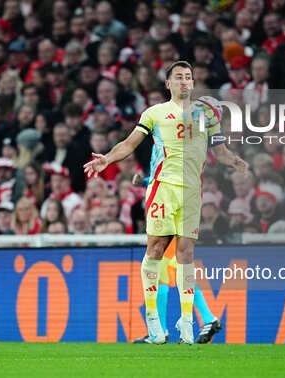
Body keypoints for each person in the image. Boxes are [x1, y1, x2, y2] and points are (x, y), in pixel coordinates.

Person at [84, 61, 247, 344]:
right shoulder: (155, 113)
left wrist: (234, 160)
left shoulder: (207, 115)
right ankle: (154, 321)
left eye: (189, 77)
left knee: (186, 254)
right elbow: (129, 144)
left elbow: (219, 152)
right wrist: (107, 159)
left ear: (193, 83)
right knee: (156, 249)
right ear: (168, 84)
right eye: (179, 77)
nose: (185, 81)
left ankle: (186, 322)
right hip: (162, 188)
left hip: (192, 191)